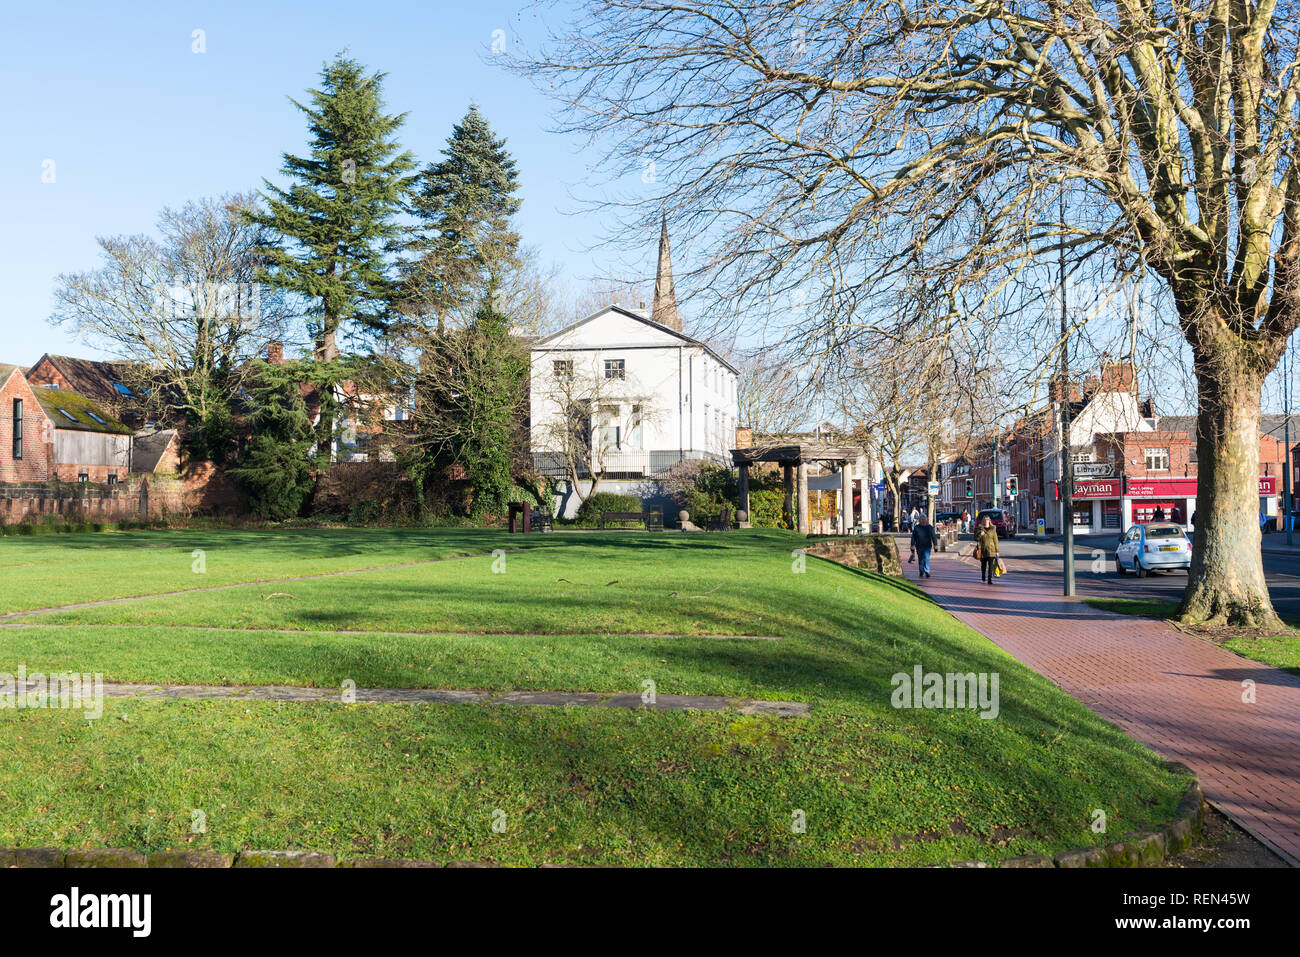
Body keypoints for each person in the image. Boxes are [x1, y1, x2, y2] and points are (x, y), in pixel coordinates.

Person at [910, 512, 938, 578]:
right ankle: (921, 571)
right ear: (919, 520)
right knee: (921, 559)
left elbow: (934, 537)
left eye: (924, 519)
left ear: (926, 520)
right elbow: (913, 537)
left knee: (926, 558)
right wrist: (912, 545)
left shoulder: (930, 527)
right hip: (919, 546)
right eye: (921, 520)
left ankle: (927, 571)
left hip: (927, 546)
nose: (923, 521)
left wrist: (935, 545)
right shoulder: (916, 528)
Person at [975, 515, 1000, 584]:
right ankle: (983, 576)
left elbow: (996, 540)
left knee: (990, 566)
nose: (986, 521)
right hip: (983, 550)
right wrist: (980, 534)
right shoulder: (980, 529)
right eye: (985, 520)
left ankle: (989, 579)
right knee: (983, 566)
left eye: (987, 520)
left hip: (991, 550)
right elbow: (975, 538)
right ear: (983, 521)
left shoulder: (993, 529)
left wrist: (997, 551)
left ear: (989, 521)